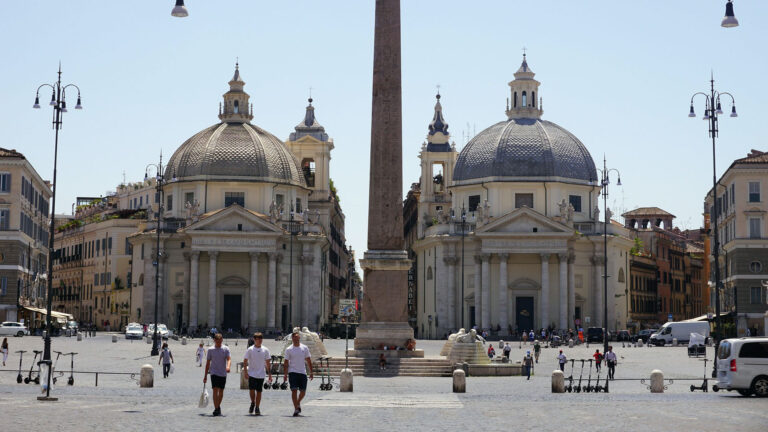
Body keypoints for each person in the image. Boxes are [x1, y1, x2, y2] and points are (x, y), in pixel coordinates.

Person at [284, 330, 313, 417]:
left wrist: (311, 372)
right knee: (294, 390)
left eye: (297, 337)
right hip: (292, 372)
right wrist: (285, 374)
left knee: (303, 392)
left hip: (302, 372)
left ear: (299, 338)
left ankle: (298, 402)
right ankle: (296, 408)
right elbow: (285, 362)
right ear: (292, 338)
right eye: (294, 338)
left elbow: (308, 360)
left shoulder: (304, 348)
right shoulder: (289, 349)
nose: (296, 339)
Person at [243, 332, 272, 415]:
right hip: (252, 373)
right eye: (257, 339)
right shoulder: (250, 349)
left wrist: (269, 374)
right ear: (254, 340)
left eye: (260, 339)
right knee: (252, 389)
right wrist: (245, 372)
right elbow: (245, 361)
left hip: (261, 373)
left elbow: (268, 363)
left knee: (259, 391)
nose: (259, 341)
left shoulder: (265, 350)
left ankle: (257, 407)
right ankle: (253, 402)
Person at [204, 333, 231, 417]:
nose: (219, 343)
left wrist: (228, 366)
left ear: (222, 340)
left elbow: (229, 359)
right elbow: (208, 363)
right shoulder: (210, 349)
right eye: (217, 342)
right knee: (215, 390)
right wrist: (205, 376)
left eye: (220, 342)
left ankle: (218, 406)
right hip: (214, 372)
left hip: (223, 373)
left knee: (221, 391)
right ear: (214, 341)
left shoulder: (226, 349)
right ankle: (216, 408)